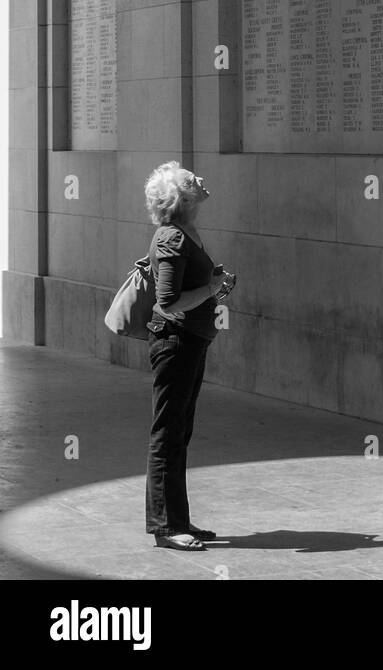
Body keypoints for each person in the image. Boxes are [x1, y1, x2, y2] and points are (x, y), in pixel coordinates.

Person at [143, 160, 235, 550]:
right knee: (167, 434)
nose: (198, 178)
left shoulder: (187, 232)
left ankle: (178, 519)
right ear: (181, 197)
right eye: (188, 178)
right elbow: (168, 303)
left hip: (191, 342)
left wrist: (215, 284)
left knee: (180, 433)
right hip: (175, 342)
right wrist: (213, 288)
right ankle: (166, 527)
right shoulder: (172, 239)